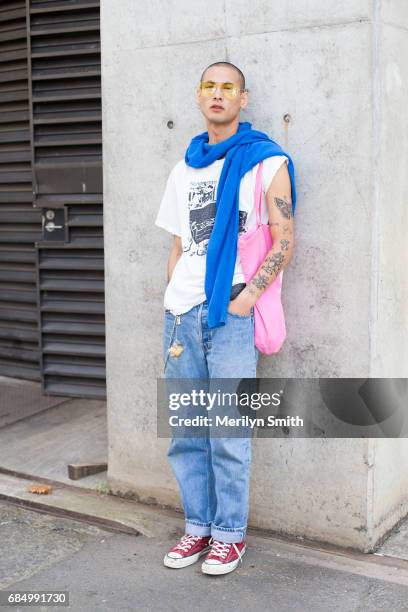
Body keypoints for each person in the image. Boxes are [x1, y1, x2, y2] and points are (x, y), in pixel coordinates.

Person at [155, 61, 296, 576]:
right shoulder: (184, 166)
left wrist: (244, 300)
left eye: (228, 87)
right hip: (180, 314)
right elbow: (177, 241)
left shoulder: (265, 160)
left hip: (232, 311)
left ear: (243, 98)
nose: (218, 94)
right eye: (210, 87)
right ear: (199, 97)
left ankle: (230, 535)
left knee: (227, 428)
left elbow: (284, 239)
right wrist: (173, 295)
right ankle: (198, 527)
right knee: (187, 429)